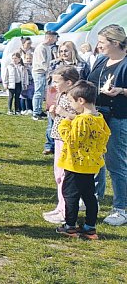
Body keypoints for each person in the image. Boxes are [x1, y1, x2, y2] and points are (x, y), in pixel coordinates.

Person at [55, 81, 110, 240]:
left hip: (75, 164)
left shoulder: (80, 120)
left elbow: (70, 139)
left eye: (72, 101)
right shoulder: (99, 118)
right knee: (89, 196)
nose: (72, 106)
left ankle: (70, 226)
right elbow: (105, 135)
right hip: (91, 164)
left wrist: (65, 121)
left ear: (81, 101)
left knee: (70, 195)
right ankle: (89, 226)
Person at [88, 24, 127, 226]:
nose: (99, 46)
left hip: (119, 119)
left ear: (115, 43)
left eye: (102, 42)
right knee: (95, 160)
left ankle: (121, 208)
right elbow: (90, 83)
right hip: (97, 117)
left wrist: (121, 90)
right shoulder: (102, 60)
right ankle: (92, 197)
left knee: (116, 164)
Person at [42, 66, 81, 224]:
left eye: (57, 81)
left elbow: (81, 117)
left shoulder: (75, 97)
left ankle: (66, 210)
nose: (54, 84)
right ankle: (61, 206)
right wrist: (54, 112)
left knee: (64, 175)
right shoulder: (62, 95)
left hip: (67, 140)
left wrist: (63, 113)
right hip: (58, 138)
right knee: (58, 174)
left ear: (69, 82)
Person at [44, 41, 91, 155]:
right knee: (53, 118)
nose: (63, 53)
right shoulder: (55, 63)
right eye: (61, 51)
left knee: (71, 117)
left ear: (72, 51)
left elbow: (86, 79)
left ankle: (71, 140)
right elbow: (49, 80)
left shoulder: (81, 64)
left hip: (75, 95)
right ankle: (50, 144)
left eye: (66, 51)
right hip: (56, 93)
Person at [32, 31, 59, 120]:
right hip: (39, 72)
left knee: (42, 92)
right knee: (38, 92)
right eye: (55, 38)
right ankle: (36, 112)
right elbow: (42, 62)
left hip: (43, 72)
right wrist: (48, 73)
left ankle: (39, 110)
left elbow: (47, 62)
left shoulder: (47, 47)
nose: (56, 40)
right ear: (50, 38)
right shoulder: (41, 48)